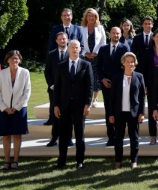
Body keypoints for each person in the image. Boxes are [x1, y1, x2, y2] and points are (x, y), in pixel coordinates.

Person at [54, 40, 93, 170]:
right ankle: (61, 161)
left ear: (80, 49)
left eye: (77, 47)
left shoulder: (86, 65)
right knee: (63, 134)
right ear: (68, 49)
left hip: (80, 106)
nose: (75, 49)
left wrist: (87, 104)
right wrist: (56, 105)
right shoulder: (61, 66)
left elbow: (90, 86)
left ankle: (80, 161)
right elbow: (57, 87)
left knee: (79, 134)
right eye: (72, 47)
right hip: (63, 106)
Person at [0, 50, 31, 170]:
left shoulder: (25, 72)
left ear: (20, 60)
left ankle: (15, 161)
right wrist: (4, 108)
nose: (14, 60)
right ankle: (6, 161)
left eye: (16, 58)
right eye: (12, 58)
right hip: (4, 110)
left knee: (17, 135)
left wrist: (17, 107)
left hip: (19, 109)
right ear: (7, 60)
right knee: (6, 136)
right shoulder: (1, 73)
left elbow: (27, 92)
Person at [107, 52, 145, 169]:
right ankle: (118, 161)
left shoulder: (139, 76)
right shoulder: (117, 77)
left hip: (134, 113)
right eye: (127, 61)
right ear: (123, 63)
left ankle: (134, 161)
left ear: (135, 63)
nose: (130, 64)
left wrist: (141, 113)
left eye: (132, 62)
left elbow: (142, 96)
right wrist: (111, 114)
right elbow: (112, 98)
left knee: (134, 138)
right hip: (119, 113)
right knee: (118, 138)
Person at [96, 27, 129, 146]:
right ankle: (110, 137)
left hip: (120, 84)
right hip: (107, 85)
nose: (115, 35)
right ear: (109, 34)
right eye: (113, 33)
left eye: (118, 33)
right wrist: (102, 79)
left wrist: (120, 80)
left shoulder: (125, 48)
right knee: (109, 110)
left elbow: (128, 66)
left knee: (120, 110)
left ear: (121, 35)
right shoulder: (103, 49)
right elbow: (98, 66)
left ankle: (119, 136)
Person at [45, 32, 69, 147]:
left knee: (68, 114)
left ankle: (68, 138)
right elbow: (47, 72)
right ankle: (54, 138)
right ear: (56, 41)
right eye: (60, 39)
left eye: (64, 39)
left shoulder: (72, 53)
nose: (62, 41)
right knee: (55, 114)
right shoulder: (51, 54)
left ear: (67, 40)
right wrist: (52, 85)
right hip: (54, 90)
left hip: (68, 90)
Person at [144, 29, 158, 145]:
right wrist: (145, 85)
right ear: (153, 38)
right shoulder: (147, 52)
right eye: (157, 36)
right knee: (152, 110)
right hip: (151, 85)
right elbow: (143, 70)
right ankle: (153, 135)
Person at [79, 8, 106, 106]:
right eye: (89, 16)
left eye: (93, 16)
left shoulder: (100, 28)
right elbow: (78, 43)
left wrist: (97, 53)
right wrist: (85, 53)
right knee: (84, 77)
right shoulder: (81, 28)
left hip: (97, 57)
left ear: (96, 17)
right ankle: (87, 98)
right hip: (84, 57)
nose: (91, 18)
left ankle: (95, 98)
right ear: (86, 17)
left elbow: (103, 42)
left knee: (96, 77)